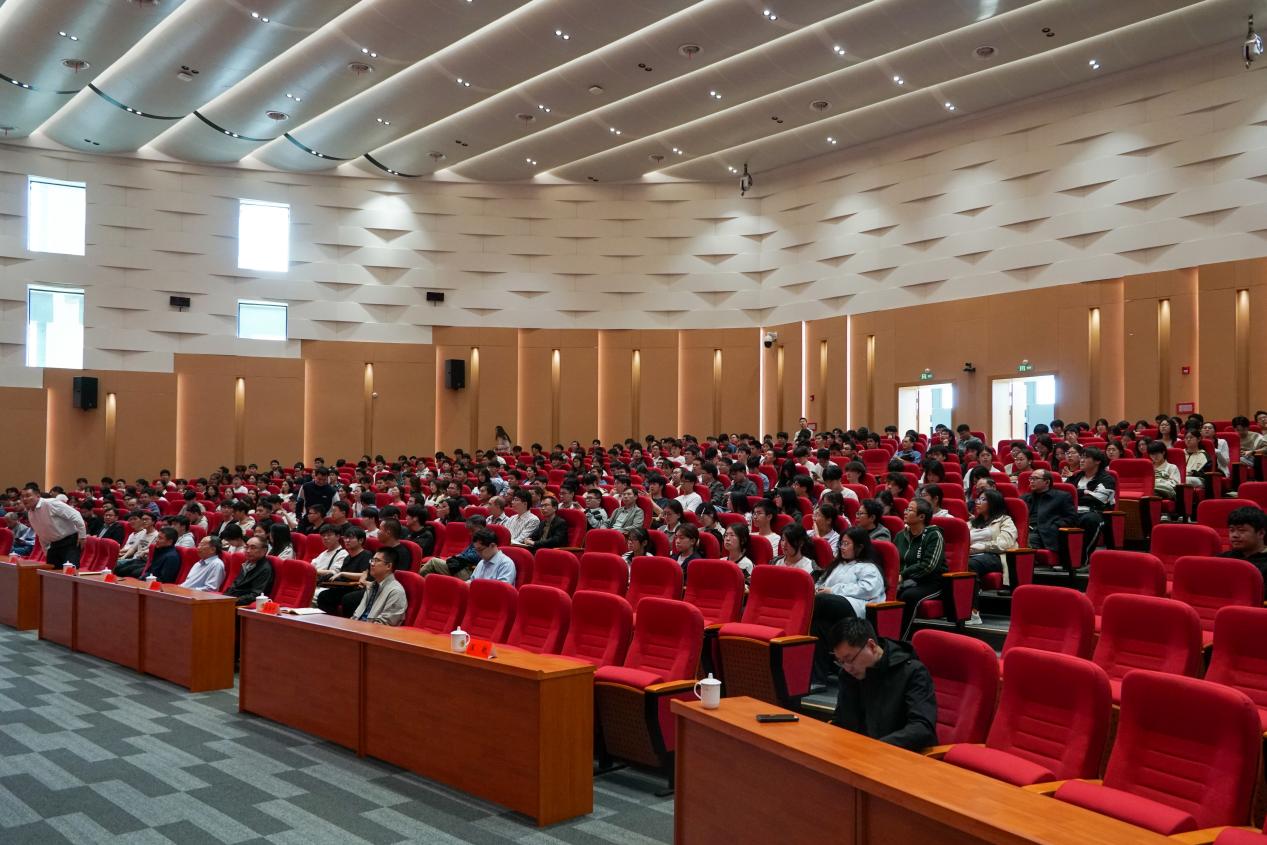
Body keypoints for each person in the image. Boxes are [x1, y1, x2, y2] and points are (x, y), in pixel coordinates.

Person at [826, 617, 937, 752]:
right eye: (841, 661)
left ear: (871, 646)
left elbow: (922, 728)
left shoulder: (912, 672)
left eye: (850, 659)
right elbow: (841, 720)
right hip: (857, 752)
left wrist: (874, 748)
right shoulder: (848, 675)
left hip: (898, 755)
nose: (847, 668)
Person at [811, 527, 887, 683]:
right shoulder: (837, 565)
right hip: (834, 607)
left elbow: (868, 589)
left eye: (846, 544)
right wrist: (817, 589)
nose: (842, 547)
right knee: (817, 625)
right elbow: (821, 582)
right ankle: (818, 678)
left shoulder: (868, 567)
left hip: (857, 607)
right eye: (841, 544)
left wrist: (833, 590)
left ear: (859, 547)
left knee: (820, 601)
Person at [894, 498, 946, 638]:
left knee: (908, 596)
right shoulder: (900, 535)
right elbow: (893, 561)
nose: (905, 512)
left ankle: (900, 639)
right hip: (905, 581)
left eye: (910, 510)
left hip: (931, 582)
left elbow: (929, 565)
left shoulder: (934, 535)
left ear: (922, 517)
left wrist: (903, 575)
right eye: (906, 509)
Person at [965, 489, 1018, 626]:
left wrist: (982, 546)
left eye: (983, 499)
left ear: (994, 503)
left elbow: (1005, 543)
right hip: (971, 554)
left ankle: (973, 612)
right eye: (978, 499)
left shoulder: (1005, 520)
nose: (978, 502)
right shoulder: (971, 523)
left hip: (995, 556)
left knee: (970, 565)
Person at [19, 484, 86, 567]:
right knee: (50, 572)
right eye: (22, 497)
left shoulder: (50, 503)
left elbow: (75, 515)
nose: (24, 499)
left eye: (28, 496)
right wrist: (46, 552)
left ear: (38, 495)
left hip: (70, 542)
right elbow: (41, 535)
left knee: (69, 570)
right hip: (53, 545)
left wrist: (82, 536)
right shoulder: (30, 514)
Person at [1021, 469, 1077, 558]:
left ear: (1047, 482)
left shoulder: (1062, 497)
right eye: (1030, 478)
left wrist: (1054, 526)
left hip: (1044, 534)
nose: (1031, 481)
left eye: (1035, 479)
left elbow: (1071, 519)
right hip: (1025, 531)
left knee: (1024, 541)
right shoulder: (1024, 498)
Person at [350, 546, 407, 626]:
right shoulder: (371, 586)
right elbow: (356, 615)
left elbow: (385, 624)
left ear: (388, 566)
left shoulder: (396, 591)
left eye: (376, 561)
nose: (372, 564)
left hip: (372, 631)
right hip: (359, 627)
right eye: (372, 560)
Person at [225, 537, 274, 606]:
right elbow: (235, 585)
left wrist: (231, 601)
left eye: (253, 548)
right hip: (232, 601)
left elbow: (255, 595)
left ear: (264, 550)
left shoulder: (265, 569)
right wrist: (224, 598)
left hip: (242, 605)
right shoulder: (246, 564)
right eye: (246, 547)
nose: (248, 551)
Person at [1221, 506, 1267, 578]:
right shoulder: (1223, 558)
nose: (1234, 535)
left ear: (1261, 533)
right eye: (1232, 530)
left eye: (1241, 530)